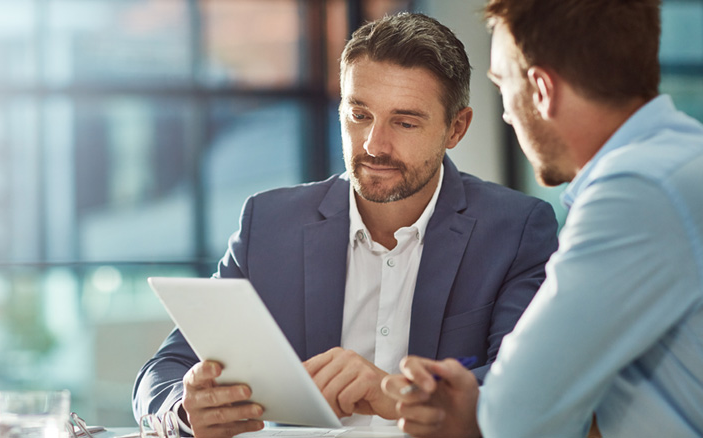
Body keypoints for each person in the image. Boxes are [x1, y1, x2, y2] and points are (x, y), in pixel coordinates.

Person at [133, 12, 558, 438]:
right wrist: (186, 409)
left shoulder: (516, 229)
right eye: (359, 115)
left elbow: (526, 387)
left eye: (405, 122)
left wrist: (395, 393)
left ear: (456, 129)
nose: (374, 145)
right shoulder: (269, 224)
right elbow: (164, 370)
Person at [382, 1, 703, 437]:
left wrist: (474, 410)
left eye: (502, 86)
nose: (506, 113)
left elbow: (516, 416)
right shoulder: (682, 159)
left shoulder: (635, 189)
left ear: (541, 89)